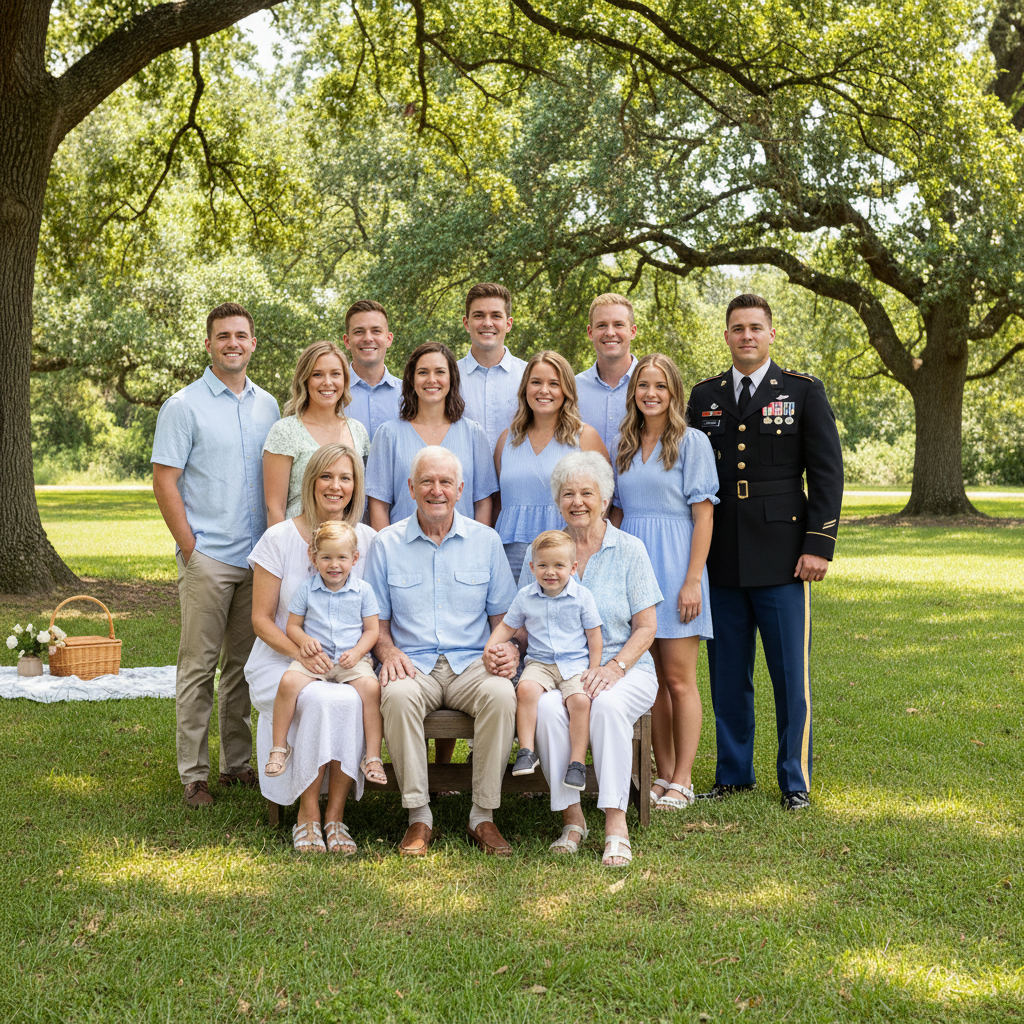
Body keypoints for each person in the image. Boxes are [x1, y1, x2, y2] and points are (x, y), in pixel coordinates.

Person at [686, 293, 844, 811]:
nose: (747, 336)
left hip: (783, 555)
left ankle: (795, 781)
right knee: (728, 675)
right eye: (738, 328)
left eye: (756, 327)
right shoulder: (704, 397)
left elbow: (826, 472)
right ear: (727, 335)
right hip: (722, 555)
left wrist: (819, 545)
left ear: (771, 334)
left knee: (788, 678)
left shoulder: (802, 391)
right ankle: (734, 774)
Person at [152, 301, 280, 807]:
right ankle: (193, 774)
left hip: (256, 562)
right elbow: (166, 481)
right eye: (222, 336)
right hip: (209, 559)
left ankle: (237, 765)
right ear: (209, 344)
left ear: (253, 343)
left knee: (243, 668)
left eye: (240, 335)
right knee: (198, 667)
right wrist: (190, 548)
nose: (232, 343)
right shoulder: (183, 405)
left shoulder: (268, 405)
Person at [364, 446, 520, 857]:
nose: (437, 490)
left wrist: (509, 652)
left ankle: (482, 814)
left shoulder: (485, 542)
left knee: (503, 694)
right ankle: (419, 816)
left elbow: (504, 618)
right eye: (427, 482)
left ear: (460, 490)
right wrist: (387, 649)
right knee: (396, 696)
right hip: (413, 664)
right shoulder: (386, 544)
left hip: (472, 661)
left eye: (445, 482)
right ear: (411, 488)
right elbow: (374, 621)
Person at [518, 451, 662, 867]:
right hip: (559, 668)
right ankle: (572, 818)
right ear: (558, 500)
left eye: (587, 493)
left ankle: (616, 823)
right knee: (546, 707)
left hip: (625, 666)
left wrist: (614, 667)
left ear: (604, 499)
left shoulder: (630, 549)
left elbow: (647, 627)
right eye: (568, 494)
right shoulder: (546, 550)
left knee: (608, 706)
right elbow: (523, 615)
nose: (577, 501)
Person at [246, 444, 378, 853]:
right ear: (310, 482)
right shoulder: (279, 537)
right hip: (283, 656)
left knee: (350, 699)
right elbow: (262, 620)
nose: (335, 486)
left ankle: (335, 817)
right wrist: (299, 651)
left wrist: (364, 653)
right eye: (326, 476)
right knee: (320, 698)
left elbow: (375, 615)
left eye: (346, 477)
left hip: (346, 659)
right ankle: (307, 814)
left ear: (356, 486)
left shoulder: (369, 541)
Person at [610, 354, 718, 810]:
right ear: (633, 392)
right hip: (633, 567)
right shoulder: (626, 444)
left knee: (678, 679)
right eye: (642, 385)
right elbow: (615, 511)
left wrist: (692, 579)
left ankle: (684, 779)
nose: (650, 394)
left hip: (676, 568)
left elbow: (704, 513)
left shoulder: (691, 443)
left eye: (660, 386)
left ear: (673, 393)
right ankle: (660, 772)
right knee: (647, 679)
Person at [265, 521, 383, 793]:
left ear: (354, 558)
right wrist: (304, 642)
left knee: (371, 688)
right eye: (326, 557)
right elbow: (293, 625)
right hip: (315, 661)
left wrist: (358, 652)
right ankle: (279, 748)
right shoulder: (307, 589)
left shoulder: (364, 590)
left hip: (349, 662)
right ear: (313, 557)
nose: (334, 565)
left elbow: (372, 630)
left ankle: (373, 756)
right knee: (287, 683)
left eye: (342, 557)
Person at [486, 530, 602, 789]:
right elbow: (507, 626)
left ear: (572, 568)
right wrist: (490, 646)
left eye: (559, 566)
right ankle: (527, 751)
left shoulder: (583, 598)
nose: (550, 572)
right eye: (543, 566)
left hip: (574, 664)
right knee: (525, 689)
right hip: (539, 663)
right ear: (532, 567)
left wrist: (594, 669)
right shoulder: (525, 596)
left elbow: (594, 637)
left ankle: (577, 763)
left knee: (580, 702)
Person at [493, 351, 609, 579]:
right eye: (536, 382)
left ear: (566, 390)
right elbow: (498, 503)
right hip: (510, 558)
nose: (544, 390)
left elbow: (606, 500)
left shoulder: (584, 437)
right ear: (525, 388)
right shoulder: (506, 439)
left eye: (554, 383)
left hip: (565, 555)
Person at [365, 342, 497, 529]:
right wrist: (386, 550)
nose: (431, 379)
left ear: (452, 378)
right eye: (423, 372)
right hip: (403, 551)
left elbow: (483, 502)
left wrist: (477, 548)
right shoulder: (388, 435)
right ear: (411, 378)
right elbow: (378, 504)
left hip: (462, 552)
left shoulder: (474, 434)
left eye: (440, 372)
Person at [263, 341, 371, 526]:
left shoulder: (358, 431)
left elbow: (360, 500)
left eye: (335, 374)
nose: (327, 382)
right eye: (317, 374)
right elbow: (275, 509)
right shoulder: (285, 431)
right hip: (297, 544)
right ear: (304, 379)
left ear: (345, 379)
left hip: (345, 547)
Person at [457, 282, 527, 450]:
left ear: (508, 324)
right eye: (479, 315)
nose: (487, 323)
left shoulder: (529, 376)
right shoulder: (449, 377)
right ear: (467, 323)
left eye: (496, 316)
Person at [575, 293, 640, 453]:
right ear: (590, 332)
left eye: (618, 324)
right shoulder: (573, 388)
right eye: (602, 325)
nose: (610, 332)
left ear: (632, 332)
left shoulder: (656, 388)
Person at [342, 299, 402, 439]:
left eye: (376, 331)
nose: (368, 338)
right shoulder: (332, 394)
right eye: (359, 332)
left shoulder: (409, 395)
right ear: (347, 341)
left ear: (389, 339)